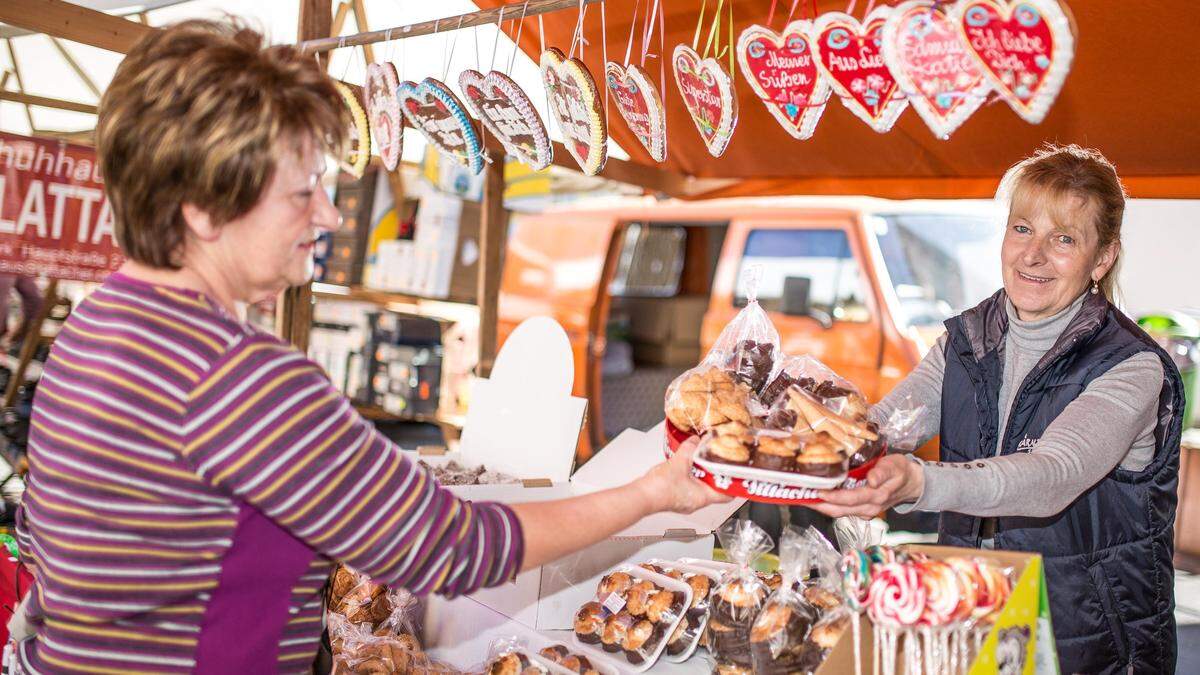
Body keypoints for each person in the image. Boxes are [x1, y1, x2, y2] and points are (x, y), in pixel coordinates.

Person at [7, 20, 727, 673]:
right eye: (301, 192)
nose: (327, 212)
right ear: (202, 210)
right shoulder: (240, 377)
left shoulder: (93, 326)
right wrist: (650, 492)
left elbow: (43, 539)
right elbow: (455, 545)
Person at [813, 145, 1184, 674]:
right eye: (1022, 228)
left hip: (1087, 638)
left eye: (1063, 239)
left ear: (1101, 258)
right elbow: (886, 426)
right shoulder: (966, 342)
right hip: (969, 611)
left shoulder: (1130, 365)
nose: (1033, 255)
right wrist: (799, 429)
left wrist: (919, 482)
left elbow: (1053, 474)